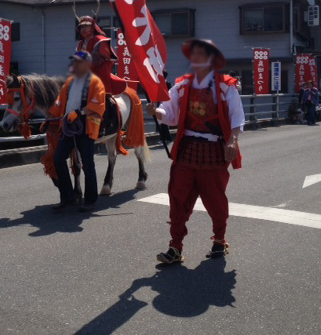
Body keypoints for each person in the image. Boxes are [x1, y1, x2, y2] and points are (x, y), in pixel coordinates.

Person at [145, 39, 245, 264]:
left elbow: (237, 116)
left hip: (214, 151)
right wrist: (157, 111)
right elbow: (170, 113)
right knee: (178, 198)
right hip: (187, 150)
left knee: (216, 200)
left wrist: (233, 140)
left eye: (202, 54)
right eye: (194, 54)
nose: (197, 58)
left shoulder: (225, 85)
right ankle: (175, 247)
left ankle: (219, 241)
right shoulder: (181, 85)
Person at [49, 50, 106, 212]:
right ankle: (68, 196)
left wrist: (79, 113)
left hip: (85, 125)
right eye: (74, 62)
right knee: (58, 158)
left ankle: (90, 200)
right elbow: (60, 102)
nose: (75, 64)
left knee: (88, 164)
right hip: (68, 124)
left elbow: (98, 103)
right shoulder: (70, 82)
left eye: (78, 62)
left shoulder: (95, 82)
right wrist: (50, 119)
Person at [76, 15, 127, 95]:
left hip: (99, 72)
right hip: (83, 73)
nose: (83, 29)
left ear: (93, 27)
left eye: (86, 26)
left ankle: (107, 98)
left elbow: (100, 59)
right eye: (81, 27)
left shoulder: (100, 40)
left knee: (101, 86)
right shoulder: (80, 44)